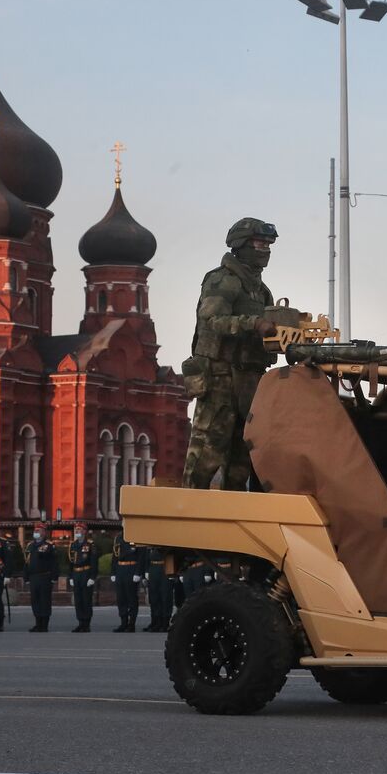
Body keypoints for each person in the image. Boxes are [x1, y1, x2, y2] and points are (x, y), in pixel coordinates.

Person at [181, 217, 281, 491]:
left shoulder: (260, 290)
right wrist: (254, 324)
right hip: (219, 378)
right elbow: (213, 320)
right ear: (242, 245)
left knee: (242, 457)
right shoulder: (223, 280)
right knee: (206, 453)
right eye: (260, 243)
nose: (265, 250)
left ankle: (232, 523)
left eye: (268, 244)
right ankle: (188, 516)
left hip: (248, 382)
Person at [24, 523, 58, 633]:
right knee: (35, 601)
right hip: (33, 577)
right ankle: (37, 623)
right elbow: (26, 562)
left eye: (38, 530)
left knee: (44, 601)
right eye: (35, 530)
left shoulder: (49, 545)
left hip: (45, 576)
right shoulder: (30, 545)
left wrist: (54, 576)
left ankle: (44, 625)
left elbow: (54, 562)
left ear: (44, 532)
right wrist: (26, 577)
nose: (36, 532)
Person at [111, 536, 147, 632]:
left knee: (131, 598)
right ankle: (123, 623)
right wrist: (113, 572)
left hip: (131, 568)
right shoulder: (118, 538)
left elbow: (141, 556)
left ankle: (131, 624)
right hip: (120, 569)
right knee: (121, 598)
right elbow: (115, 555)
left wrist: (138, 572)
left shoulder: (136, 535)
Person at [67, 523, 98, 633]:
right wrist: (70, 576)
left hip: (86, 573)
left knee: (86, 600)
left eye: (80, 529)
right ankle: (80, 622)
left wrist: (92, 577)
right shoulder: (73, 545)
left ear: (85, 531)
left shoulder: (90, 545)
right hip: (76, 574)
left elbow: (94, 562)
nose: (77, 531)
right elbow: (70, 562)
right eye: (76, 529)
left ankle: (86, 624)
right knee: (78, 600)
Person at [144, 547, 173, 633]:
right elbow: (146, 555)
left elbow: (171, 554)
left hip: (165, 567)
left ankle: (165, 623)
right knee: (154, 597)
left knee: (165, 597)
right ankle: (155, 622)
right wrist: (146, 570)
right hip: (153, 567)